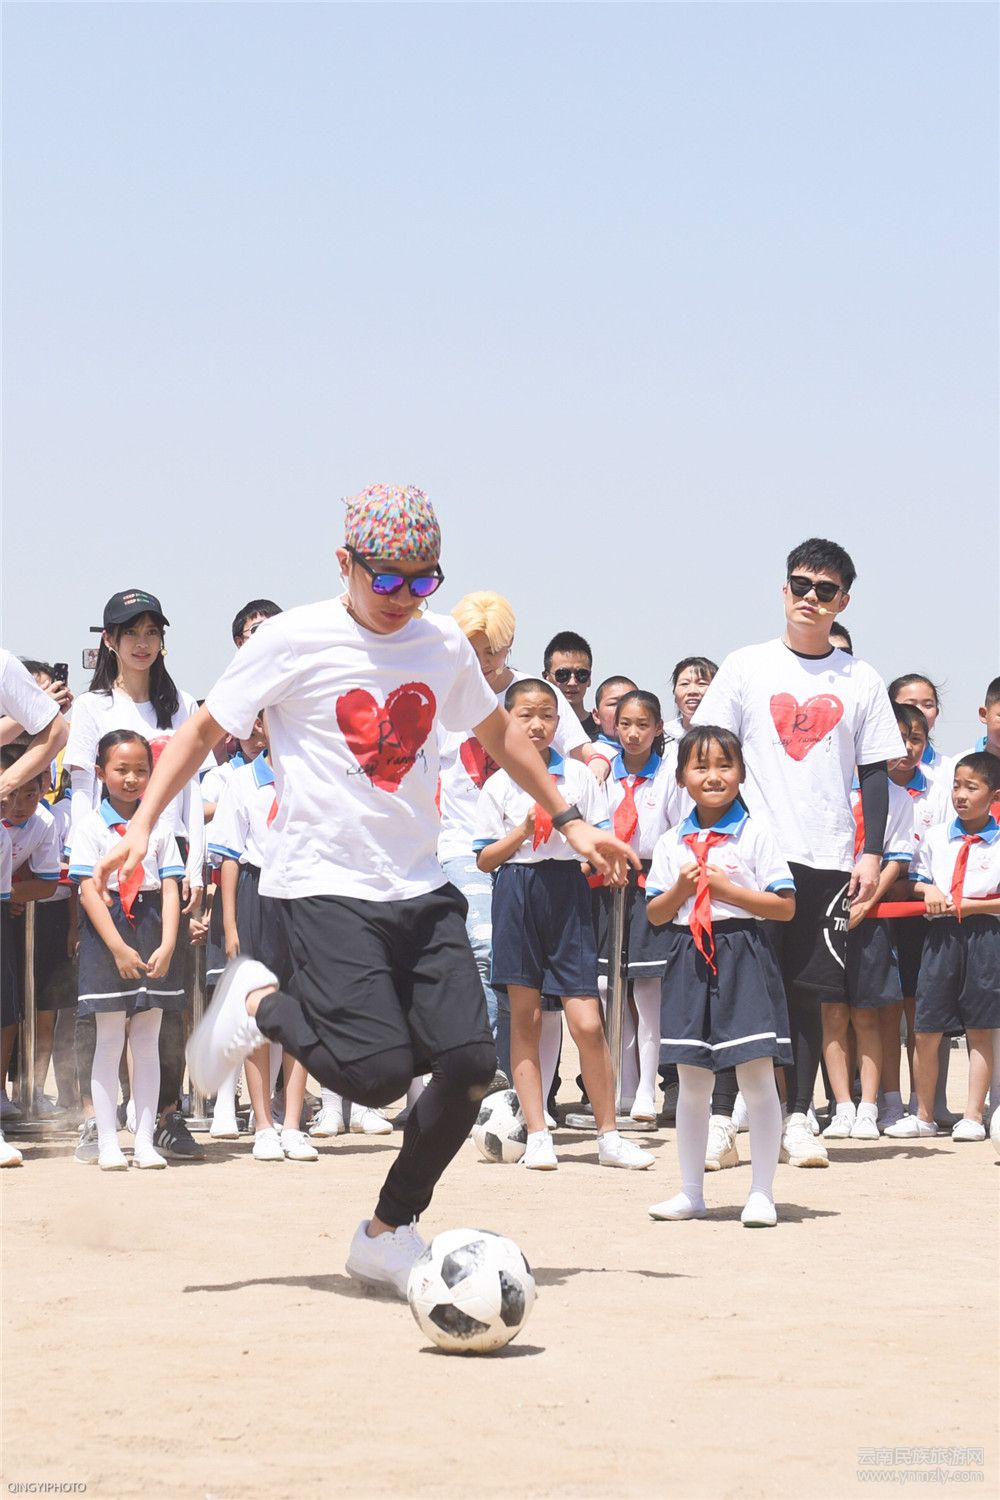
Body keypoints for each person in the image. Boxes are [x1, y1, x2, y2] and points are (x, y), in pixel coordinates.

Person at [95, 484, 637, 1296]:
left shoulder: (441, 645)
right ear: (343, 563)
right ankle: (259, 1004)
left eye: (424, 581)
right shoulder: (292, 639)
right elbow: (202, 730)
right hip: (323, 886)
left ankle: (387, 1232)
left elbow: (498, 734)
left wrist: (571, 820)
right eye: (386, 578)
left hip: (419, 885)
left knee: (469, 1065)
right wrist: (143, 826)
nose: (404, 597)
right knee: (378, 1076)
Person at [692, 538, 903, 1168]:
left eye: (826, 590)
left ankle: (797, 1118)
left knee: (810, 992)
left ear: (844, 601)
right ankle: (725, 1119)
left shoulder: (861, 678)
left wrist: (871, 852)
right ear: (784, 590)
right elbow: (711, 749)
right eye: (802, 585)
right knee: (738, 985)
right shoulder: (746, 665)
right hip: (750, 854)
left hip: (828, 854)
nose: (812, 598)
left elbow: (874, 772)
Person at [473, 678, 654, 1172]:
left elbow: (598, 838)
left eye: (547, 715)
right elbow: (485, 859)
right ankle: (537, 1133)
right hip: (516, 892)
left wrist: (605, 863)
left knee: (588, 1022)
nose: (537, 724)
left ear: (559, 721)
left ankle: (608, 1135)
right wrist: (522, 832)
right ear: (508, 721)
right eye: (525, 715)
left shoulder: (578, 776)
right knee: (526, 1019)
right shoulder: (498, 783)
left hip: (569, 894)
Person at [64, 590, 206, 1161]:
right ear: (110, 640)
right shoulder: (91, 707)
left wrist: (194, 862)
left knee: (161, 1000)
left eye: (152, 632)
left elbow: (190, 788)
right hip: (104, 862)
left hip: (165, 860)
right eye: (131, 633)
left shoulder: (182, 705)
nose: (143, 644)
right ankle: (94, 1123)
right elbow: (81, 788)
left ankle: (164, 1117)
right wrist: (88, 855)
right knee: (102, 1003)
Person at [439, 591, 595, 1084]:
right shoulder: (440, 693)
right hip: (464, 843)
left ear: (510, 645)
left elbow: (584, 753)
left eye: (493, 651)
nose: (483, 661)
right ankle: (488, 1074)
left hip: (533, 853)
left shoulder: (533, 695)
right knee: (484, 946)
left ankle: (511, 1081)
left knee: (513, 969)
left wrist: (594, 772)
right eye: (472, 651)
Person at [645, 726, 795, 1228]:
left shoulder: (755, 833)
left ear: (742, 774)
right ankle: (691, 1191)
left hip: (742, 951)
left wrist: (727, 891)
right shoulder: (671, 841)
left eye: (725, 765)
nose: (713, 776)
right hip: (687, 955)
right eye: (701, 766)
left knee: (755, 1074)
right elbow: (655, 914)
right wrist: (680, 890)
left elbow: (784, 906)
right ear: (681, 778)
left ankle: (762, 1192)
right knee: (692, 1079)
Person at [69, 730, 184, 1170]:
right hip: (109, 926)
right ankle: (107, 1143)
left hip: (152, 924)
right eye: (121, 769)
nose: (132, 778)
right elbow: (87, 891)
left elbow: (170, 885)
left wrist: (169, 942)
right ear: (101, 772)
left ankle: (146, 1141)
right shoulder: (89, 827)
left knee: (148, 1040)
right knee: (109, 1038)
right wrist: (116, 946)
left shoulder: (159, 826)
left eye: (141, 770)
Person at [207, 730, 320, 1161]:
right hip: (257, 895)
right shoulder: (241, 781)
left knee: (301, 1011)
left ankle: (291, 1123)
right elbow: (229, 856)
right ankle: (262, 1126)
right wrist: (230, 923)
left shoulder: (315, 774)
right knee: (258, 1012)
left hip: (305, 896)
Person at [885, 752, 1000, 1142]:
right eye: (956, 786)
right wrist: (926, 889)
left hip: (984, 935)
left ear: (994, 796)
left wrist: (973, 905)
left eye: (972, 787)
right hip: (940, 936)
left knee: (980, 1028)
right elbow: (909, 882)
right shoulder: (936, 837)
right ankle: (924, 1115)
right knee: (926, 1027)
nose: (961, 795)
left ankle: (973, 1116)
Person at [821, 746, 915, 1140]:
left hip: (871, 919)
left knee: (866, 1015)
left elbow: (895, 859)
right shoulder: (828, 784)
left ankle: (869, 1107)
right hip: (825, 910)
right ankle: (842, 1106)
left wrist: (865, 903)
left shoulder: (897, 796)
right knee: (832, 1014)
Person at [597, 690, 681, 1122]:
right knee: (607, 986)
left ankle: (648, 1087)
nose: (632, 733)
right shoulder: (600, 772)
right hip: (604, 882)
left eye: (643, 725)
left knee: (648, 989)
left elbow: (677, 831)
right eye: (625, 724)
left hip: (650, 881)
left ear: (658, 728)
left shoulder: (668, 775)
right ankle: (624, 1085)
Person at [0, 748, 60, 1129]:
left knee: (7, 1006)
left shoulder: (44, 823)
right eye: (10, 794)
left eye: (29, 794)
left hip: (7, 910)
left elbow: (48, 883)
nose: (19, 805)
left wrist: (12, 895)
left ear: (44, 787)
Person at [543, 631, 599, 740]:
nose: (572, 682)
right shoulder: (534, 732)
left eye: (581, 674)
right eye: (562, 674)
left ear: (589, 679)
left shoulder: (605, 734)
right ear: (546, 677)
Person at [663, 658, 718, 744]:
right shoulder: (661, 737)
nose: (692, 691)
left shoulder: (730, 733)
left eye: (702, 683)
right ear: (674, 693)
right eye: (684, 684)